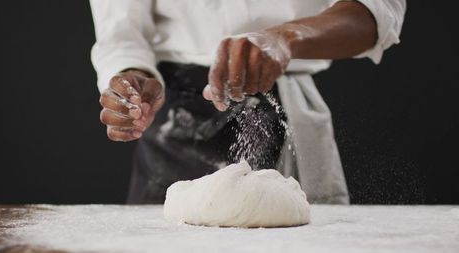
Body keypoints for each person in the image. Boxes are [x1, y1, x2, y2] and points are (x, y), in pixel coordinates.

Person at [90, 0, 406, 204]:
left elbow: (379, 11)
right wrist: (130, 77)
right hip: (179, 123)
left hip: (289, 109)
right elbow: (121, 35)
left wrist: (285, 38)